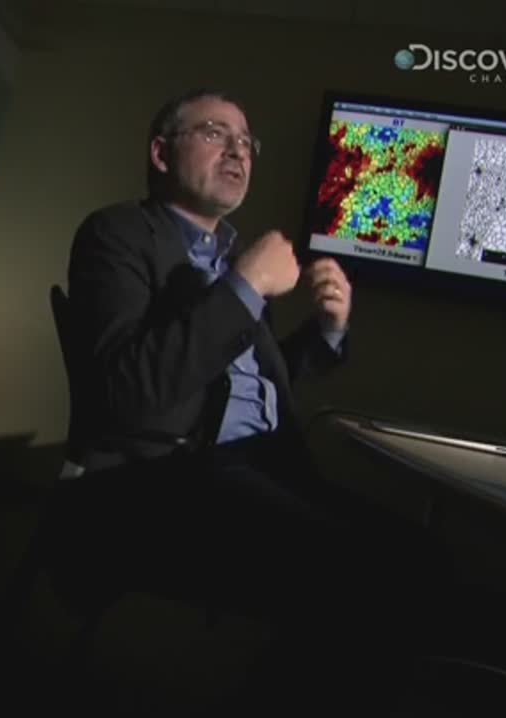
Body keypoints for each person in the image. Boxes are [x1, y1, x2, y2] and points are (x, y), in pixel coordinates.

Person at [52, 88, 446, 707]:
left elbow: (242, 378)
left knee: (421, 556)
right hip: (170, 476)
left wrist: (328, 331)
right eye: (215, 133)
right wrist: (245, 287)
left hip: (265, 464)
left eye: (246, 141)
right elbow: (129, 391)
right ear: (161, 153)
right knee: (362, 573)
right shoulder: (119, 234)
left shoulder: (233, 254)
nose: (238, 150)